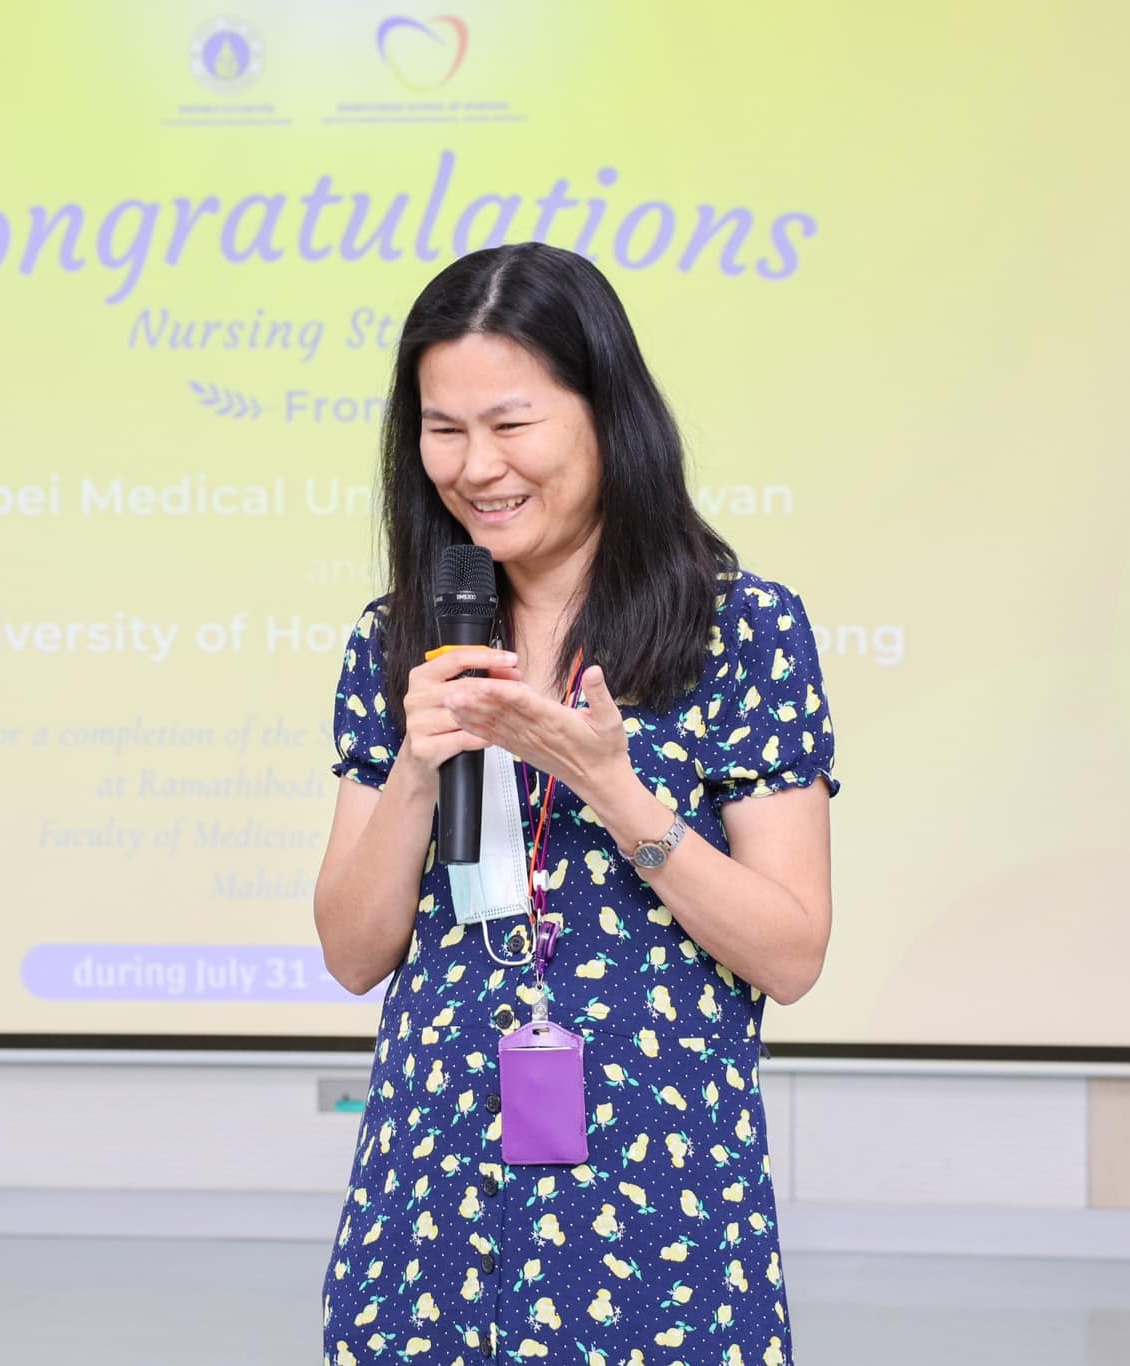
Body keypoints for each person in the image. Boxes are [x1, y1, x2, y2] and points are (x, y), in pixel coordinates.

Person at [313, 241, 836, 1366]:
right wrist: (416, 766)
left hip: (659, 1201)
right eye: (441, 429)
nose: (473, 464)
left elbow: (789, 953)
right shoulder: (399, 637)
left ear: (605, 416)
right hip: (435, 1191)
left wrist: (612, 789)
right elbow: (354, 953)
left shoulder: (739, 630)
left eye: (510, 424)